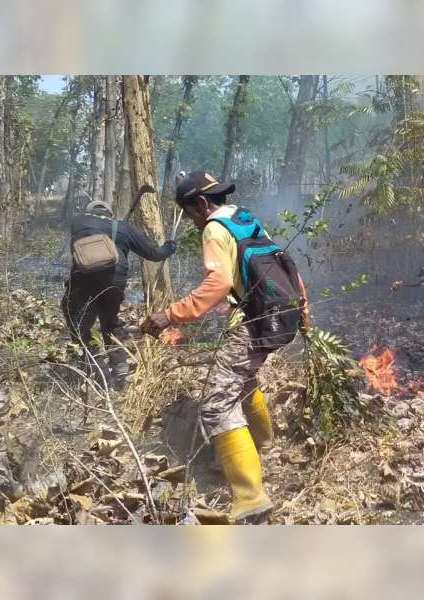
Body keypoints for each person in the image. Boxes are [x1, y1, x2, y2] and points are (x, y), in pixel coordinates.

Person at [140, 171, 308, 524]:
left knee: (216, 405)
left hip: (254, 323)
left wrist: (169, 315)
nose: (192, 221)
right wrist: (303, 307)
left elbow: (218, 282)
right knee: (241, 377)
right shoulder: (245, 218)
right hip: (282, 316)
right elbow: (283, 264)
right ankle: (261, 442)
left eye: (190, 214)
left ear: (201, 204)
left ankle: (250, 498)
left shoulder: (215, 228)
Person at [62, 199, 176, 387]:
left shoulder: (78, 221)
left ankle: (97, 369)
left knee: (79, 323)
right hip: (114, 280)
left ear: (89, 212)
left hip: (83, 279)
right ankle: (120, 365)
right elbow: (153, 254)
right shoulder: (124, 228)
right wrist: (170, 247)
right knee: (110, 321)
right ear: (111, 214)